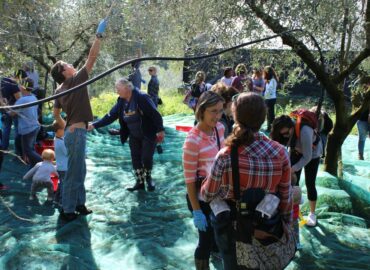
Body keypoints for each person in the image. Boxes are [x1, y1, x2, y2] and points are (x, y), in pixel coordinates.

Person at [201, 93, 294, 269]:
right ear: (263, 117)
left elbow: (207, 194)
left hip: (232, 229)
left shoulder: (225, 155)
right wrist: (287, 224)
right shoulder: (280, 152)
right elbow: (285, 195)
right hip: (265, 226)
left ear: (235, 116)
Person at [51, 18, 107, 221]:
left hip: (74, 132)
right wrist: (98, 36)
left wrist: (69, 127)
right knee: (75, 173)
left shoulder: (58, 90)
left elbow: (56, 114)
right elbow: (92, 57)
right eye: (67, 64)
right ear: (63, 72)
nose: (71, 64)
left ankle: (80, 205)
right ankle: (68, 210)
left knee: (79, 171)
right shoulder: (74, 80)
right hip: (76, 134)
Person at [89, 78, 164, 192]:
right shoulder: (121, 102)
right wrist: (94, 125)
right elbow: (110, 116)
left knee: (146, 158)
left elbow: (155, 114)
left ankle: (148, 178)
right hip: (133, 135)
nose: (116, 91)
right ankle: (139, 182)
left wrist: (160, 130)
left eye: (118, 88)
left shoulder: (142, 97)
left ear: (127, 87)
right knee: (135, 159)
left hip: (148, 133)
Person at [182, 91, 225, 270]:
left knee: (218, 234)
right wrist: (197, 211)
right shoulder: (192, 141)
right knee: (205, 240)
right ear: (202, 111)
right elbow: (190, 180)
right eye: (213, 111)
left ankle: (217, 256)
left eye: (221, 110)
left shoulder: (220, 128)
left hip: (218, 194)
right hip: (200, 199)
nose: (218, 116)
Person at [271, 113, 322, 227]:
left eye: (286, 133)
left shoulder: (305, 131)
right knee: (292, 183)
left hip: (312, 154)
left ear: (292, 127)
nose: (284, 136)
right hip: (296, 151)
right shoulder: (286, 133)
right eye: (282, 134)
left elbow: (307, 157)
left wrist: (292, 169)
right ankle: (293, 211)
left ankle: (312, 214)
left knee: (310, 183)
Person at [13, 78, 42, 167]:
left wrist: (2, 104)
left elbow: (11, 113)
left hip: (28, 129)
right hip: (35, 126)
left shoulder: (21, 101)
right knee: (31, 149)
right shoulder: (33, 97)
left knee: (28, 151)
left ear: (23, 87)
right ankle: (34, 168)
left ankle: (45, 163)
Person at [0, 69, 25, 155]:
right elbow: (19, 98)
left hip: (4, 108)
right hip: (14, 110)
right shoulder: (13, 84)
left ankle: (4, 148)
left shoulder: (3, 80)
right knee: (17, 130)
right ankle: (17, 151)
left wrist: (3, 104)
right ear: (20, 77)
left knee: (6, 129)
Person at [53, 119, 68, 207]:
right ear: (59, 130)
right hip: (65, 167)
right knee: (64, 185)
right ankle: (62, 201)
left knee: (61, 182)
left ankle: (56, 199)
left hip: (60, 166)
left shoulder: (56, 138)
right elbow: (67, 153)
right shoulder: (61, 142)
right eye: (64, 129)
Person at [263, 65, 278, 131]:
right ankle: (270, 127)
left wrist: (266, 97)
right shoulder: (268, 80)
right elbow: (267, 89)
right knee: (269, 113)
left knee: (270, 114)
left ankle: (270, 127)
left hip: (271, 99)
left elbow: (271, 90)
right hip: (268, 98)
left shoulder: (273, 80)